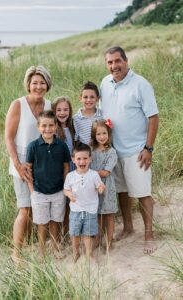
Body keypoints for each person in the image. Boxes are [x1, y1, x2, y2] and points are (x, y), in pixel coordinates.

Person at [100, 46, 159, 254]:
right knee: (122, 192)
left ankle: (149, 235)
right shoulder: (105, 84)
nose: (114, 66)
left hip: (136, 150)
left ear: (126, 61)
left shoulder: (141, 84)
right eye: (110, 62)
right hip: (114, 151)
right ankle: (128, 228)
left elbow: (153, 117)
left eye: (118, 61)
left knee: (142, 193)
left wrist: (148, 148)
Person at [5, 65, 52, 263]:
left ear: (47, 84)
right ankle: (16, 252)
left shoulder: (49, 105)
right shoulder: (18, 105)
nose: (38, 86)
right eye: (35, 83)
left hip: (43, 165)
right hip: (22, 164)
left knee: (38, 207)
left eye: (42, 83)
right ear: (28, 84)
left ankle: (37, 244)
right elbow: (8, 137)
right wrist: (17, 163)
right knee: (24, 208)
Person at [26, 110, 70, 258]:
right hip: (39, 191)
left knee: (55, 220)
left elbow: (66, 167)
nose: (48, 129)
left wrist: (65, 187)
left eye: (51, 125)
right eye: (44, 125)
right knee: (41, 222)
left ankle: (56, 247)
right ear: (38, 127)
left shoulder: (62, 145)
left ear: (56, 126)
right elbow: (28, 169)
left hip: (58, 190)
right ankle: (42, 251)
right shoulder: (33, 146)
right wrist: (32, 190)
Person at [64, 143, 105, 262]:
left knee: (88, 234)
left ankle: (89, 253)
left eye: (85, 158)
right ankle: (76, 252)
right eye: (79, 158)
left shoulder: (94, 174)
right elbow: (66, 189)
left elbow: (99, 186)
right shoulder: (70, 176)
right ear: (73, 160)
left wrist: (101, 188)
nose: (82, 161)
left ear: (90, 159)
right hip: (76, 210)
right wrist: (69, 194)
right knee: (75, 234)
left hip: (90, 209)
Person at [90, 119, 118, 252]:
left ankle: (109, 240)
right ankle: (97, 238)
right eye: (98, 134)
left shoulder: (111, 152)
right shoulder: (91, 151)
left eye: (104, 133)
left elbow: (106, 172)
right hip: (93, 188)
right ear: (94, 136)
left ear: (109, 134)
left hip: (107, 187)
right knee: (97, 214)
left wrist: (88, 173)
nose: (101, 137)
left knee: (109, 214)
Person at [52, 96, 75, 239]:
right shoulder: (54, 129)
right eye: (58, 110)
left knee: (68, 204)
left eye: (65, 109)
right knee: (58, 204)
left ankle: (66, 233)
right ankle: (58, 236)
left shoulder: (71, 128)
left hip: (72, 170)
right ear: (53, 111)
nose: (62, 113)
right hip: (60, 171)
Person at [73, 81, 103, 145]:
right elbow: (75, 139)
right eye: (85, 97)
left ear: (97, 99)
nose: (88, 100)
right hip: (85, 152)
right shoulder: (76, 118)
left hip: (101, 152)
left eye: (92, 97)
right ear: (80, 98)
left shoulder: (102, 115)